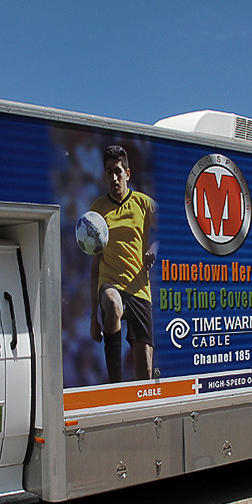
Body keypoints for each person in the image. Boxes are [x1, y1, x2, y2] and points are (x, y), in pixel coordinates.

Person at [89, 145, 157, 382]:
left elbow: (172, 229)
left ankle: (145, 412)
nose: (114, 178)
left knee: (145, 368)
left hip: (139, 288)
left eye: (118, 171)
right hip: (111, 283)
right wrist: (92, 318)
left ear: (128, 173)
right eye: (109, 172)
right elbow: (94, 265)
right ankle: (115, 385)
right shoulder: (97, 211)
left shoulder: (143, 204)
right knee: (112, 302)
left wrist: (154, 247)